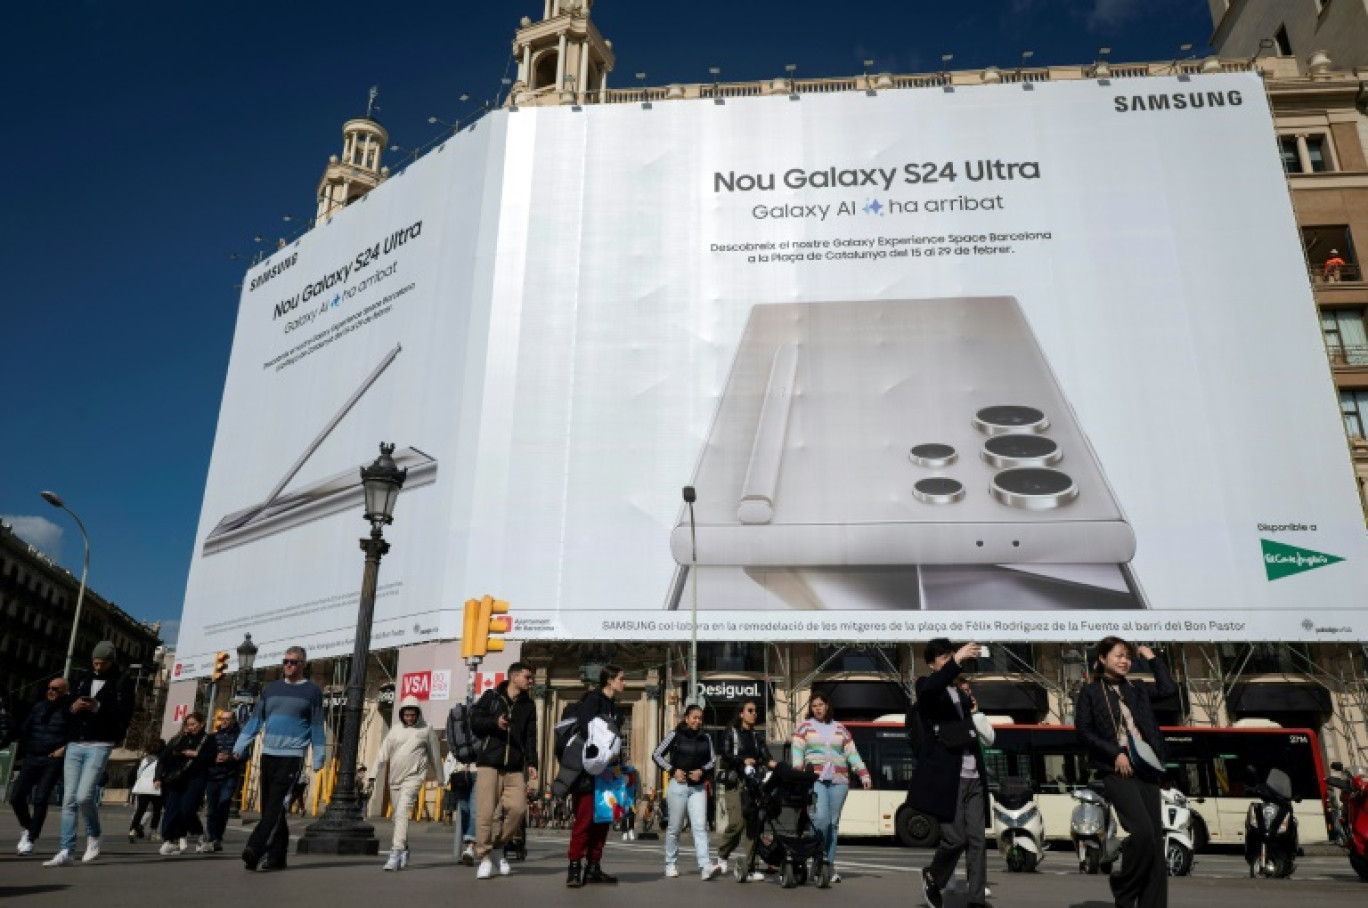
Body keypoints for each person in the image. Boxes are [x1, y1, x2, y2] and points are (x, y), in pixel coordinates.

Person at [1075, 637, 1177, 908]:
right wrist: (1115, 753)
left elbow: (1168, 689)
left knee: (1155, 843)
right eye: (1118, 655)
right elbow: (1084, 731)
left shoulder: (1137, 689)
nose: (1124, 661)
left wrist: (1153, 658)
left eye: (1128, 657)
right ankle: (1123, 887)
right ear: (1102, 659)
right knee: (1142, 833)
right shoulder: (1090, 692)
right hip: (1116, 769)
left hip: (1147, 766)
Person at [910, 639, 990, 908]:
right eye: (942, 658)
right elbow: (932, 686)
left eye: (950, 655)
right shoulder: (927, 686)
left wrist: (974, 710)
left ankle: (976, 900)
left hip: (974, 775)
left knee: (978, 840)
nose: (948, 660)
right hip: (949, 777)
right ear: (932, 664)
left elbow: (971, 732)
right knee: (956, 839)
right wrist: (955, 662)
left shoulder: (962, 694)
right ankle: (934, 874)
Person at [233, 645, 326, 872]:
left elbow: (316, 725)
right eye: (285, 661)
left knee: (276, 805)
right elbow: (256, 720)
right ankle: (277, 858)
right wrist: (240, 745)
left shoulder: (312, 692)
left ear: (303, 664)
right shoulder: (271, 689)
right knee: (270, 808)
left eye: (293, 662)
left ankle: (255, 848)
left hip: (292, 756)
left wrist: (319, 756)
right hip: (268, 753)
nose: (288, 665)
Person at [45, 641, 135, 867]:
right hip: (76, 742)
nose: (98, 665)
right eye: (95, 661)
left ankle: (94, 835)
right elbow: (66, 706)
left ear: (110, 661)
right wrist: (73, 707)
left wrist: (98, 707)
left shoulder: (122, 681)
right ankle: (67, 849)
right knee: (68, 799)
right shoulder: (83, 678)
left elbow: (125, 713)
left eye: (102, 662)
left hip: (100, 743)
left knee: (84, 795)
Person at [791, 692, 870, 882]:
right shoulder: (804, 728)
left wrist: (863, 773)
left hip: (839, 780)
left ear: (827, 706)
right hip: (815, 779)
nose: (817, 708)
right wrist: (798, 774)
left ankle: (828, 866)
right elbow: (797, 752)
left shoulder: (840, 729)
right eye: (814, 705)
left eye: (820, 705)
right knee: (821, 820)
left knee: (833, 825)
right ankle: (816, 858)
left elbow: (852, 753)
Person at [470, 662, 539, 879]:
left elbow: (530, 736)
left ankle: (499, 846)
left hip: (514, 766)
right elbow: (474, 722)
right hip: (489, 762)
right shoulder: (491, 697)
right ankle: (484, 857)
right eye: (528, 677)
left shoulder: (529, 705)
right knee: (486, 813)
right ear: (514, 677)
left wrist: (532, 763)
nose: (531, 681)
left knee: (518, 809)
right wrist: (494, 722)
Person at [566, 664, 625, 888]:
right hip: (587, 771)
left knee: (602, 821)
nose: (624, 682)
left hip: (608, 772)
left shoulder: (613, 706)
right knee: (584, 821)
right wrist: (603, 752)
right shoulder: (592, 699)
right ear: (609, 680)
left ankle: (593, 866)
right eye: (621, 678)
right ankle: (574, 867)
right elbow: (585, 729)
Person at [368, 695, 443, 871]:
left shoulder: (426, 730)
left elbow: (435, 755)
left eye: (412, 715)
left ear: (418, 714)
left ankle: (395, 852)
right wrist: (372, 775)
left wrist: (441, 779)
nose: (409, 718)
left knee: (402, 811)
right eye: (406, 715)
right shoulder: (394, 730)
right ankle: (404, 847)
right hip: (394, 778)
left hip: (414, 777)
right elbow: (382, 754)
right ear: (401, 714)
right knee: (397, 817)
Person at [653, 704, 720, 880]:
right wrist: (673, 769)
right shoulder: (675, 735)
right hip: (678, 786)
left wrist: (702, 772)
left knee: (700, 827)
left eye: (700, 718)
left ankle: (705, 866)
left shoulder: (706, 737)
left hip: (698, 788)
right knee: (674, 827)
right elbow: (657, 754)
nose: (697, 721)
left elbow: (712, 760)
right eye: (694, 717)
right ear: (686, 718)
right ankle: (670, 863)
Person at [715, 698, 774, 881]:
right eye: (750, 710)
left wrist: (775, 765)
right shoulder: (731, 733)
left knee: (753, 826)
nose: (754, 714)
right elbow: (725, 754)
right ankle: (722, 855)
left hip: (753, 783)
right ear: (741, 713)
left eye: (755, 711)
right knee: (737, 823)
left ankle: (751, 867)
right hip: (736, 782)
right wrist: (742, 761)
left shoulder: (757, 737)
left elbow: (766, 756)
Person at [11, 678, 71, 855]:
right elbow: (23, 729)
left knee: (40, 798)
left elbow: (76, 733)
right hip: (32, 756)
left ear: (64, 692)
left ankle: (31, 840)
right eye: (49, 688)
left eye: (55, 689)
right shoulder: (38, 707)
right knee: (16, 797)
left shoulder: (69, 710)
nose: (51, 691)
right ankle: (28, 827)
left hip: (52, 759)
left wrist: (64, 749)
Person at [156, 711, 216, 855]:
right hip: (177, 778)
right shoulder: (179, 738)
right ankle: (170, 840)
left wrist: (197, 754)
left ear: (202, 724)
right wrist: (158, 777)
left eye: (194, 724)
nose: (191, 727)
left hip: (196, 778)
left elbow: (211, 758)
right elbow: (163, 758)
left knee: (187, 809)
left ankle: (200, 835)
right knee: (171, 809)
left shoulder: (208, 739)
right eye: (188, 724)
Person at [205, 708, 249, 853]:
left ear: (233, 720)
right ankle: (211, 837)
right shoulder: (213, 737)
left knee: (223, 806)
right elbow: (204, 754)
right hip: (212, 775)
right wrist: (213, 757)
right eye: (222, 718)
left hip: (229, 776)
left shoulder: (239, 737)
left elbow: (244, 755)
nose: (224, 721)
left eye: (227, 719)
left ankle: (217, 836)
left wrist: (228, 757)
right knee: (211, 809)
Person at [444, 750, 479, 864]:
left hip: (478, 771)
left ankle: (470, 847)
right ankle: (469, 842)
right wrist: (446, 776)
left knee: (474, 809)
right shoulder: (459, 733)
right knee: (464, 810)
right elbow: (452, 750)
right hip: (459, 771)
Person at [129, 739, 165, 843]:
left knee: (140, 810)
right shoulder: (160, 760)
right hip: (155, 788)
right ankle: (153, 831)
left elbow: (138, 773)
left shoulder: (144, 760)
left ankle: (132, 829)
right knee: (157, 810)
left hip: (143, 787)